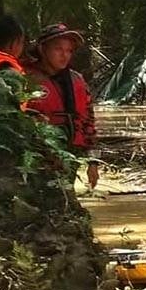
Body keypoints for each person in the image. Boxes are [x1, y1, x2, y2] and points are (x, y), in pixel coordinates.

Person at [25, 23, 99, 190]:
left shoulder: (77, 80)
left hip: (70, 155)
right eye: (58, 49)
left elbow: (89, 122)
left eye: (69, 51)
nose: (64, 55)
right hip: (38, 159)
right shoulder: (25, 78)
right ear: (42, 50)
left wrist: (92, 162)